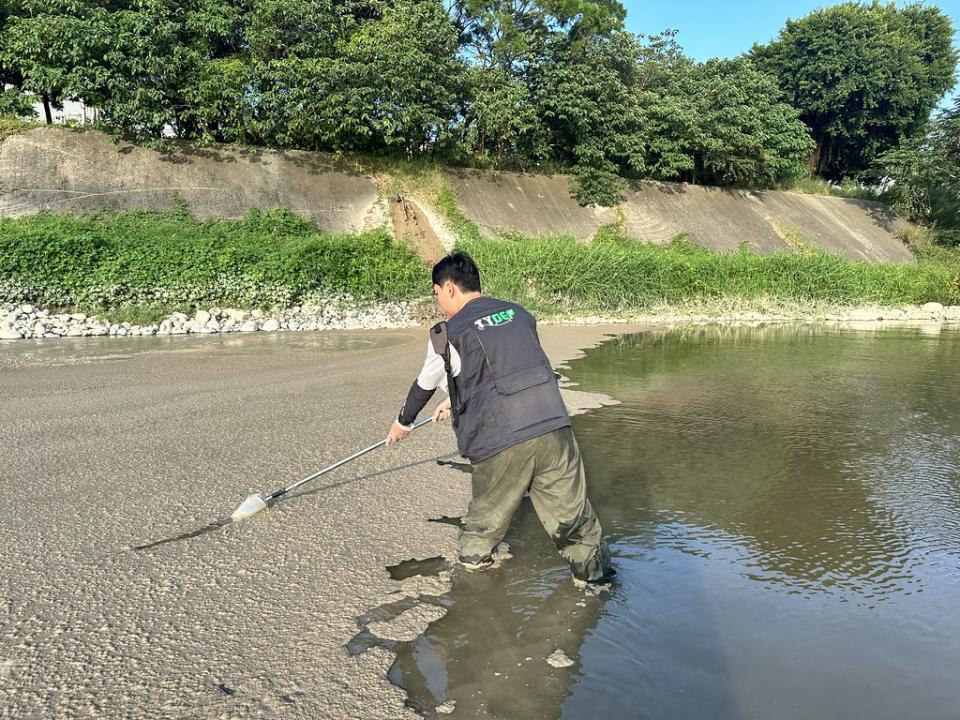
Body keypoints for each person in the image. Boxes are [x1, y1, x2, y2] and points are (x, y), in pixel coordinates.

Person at [386, 252, 611, 585]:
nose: (439, 303)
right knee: (573, 518)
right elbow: (511, 367)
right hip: (553, 426)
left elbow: (423, 385)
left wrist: (402, 423)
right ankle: (594, 581)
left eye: (436, 294)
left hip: (501, 438)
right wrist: (454, 398)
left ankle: (476, 574)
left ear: (449, 288)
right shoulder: (518, 314)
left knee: (486, 515)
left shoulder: (447, 333)